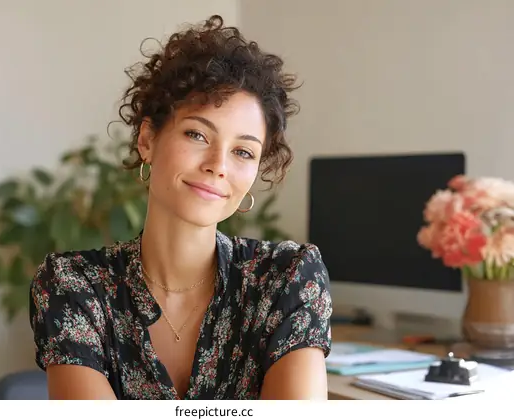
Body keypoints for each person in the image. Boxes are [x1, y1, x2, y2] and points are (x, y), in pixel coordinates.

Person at [29, 15, 333, 400]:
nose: (218, 166)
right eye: (197, 134)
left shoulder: (287, 278)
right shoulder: (73, 285)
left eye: (242, 151)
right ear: (147, 140)